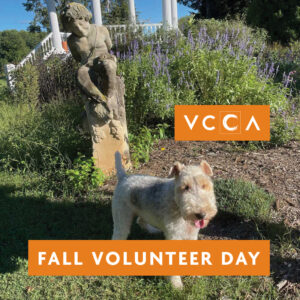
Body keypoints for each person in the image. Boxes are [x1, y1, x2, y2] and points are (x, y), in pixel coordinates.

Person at [61, 2, 117, 103]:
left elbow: (109, 46)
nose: (79, 29)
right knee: (81, 73)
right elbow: (77, 57)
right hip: (88, 65)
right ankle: (99, 98)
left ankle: (109, 97)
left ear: (85, 18)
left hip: (103, 59)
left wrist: (106, 56)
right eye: (74, 28)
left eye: (81, 24)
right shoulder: (72, 40)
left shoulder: (101, 30)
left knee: (109, 66)